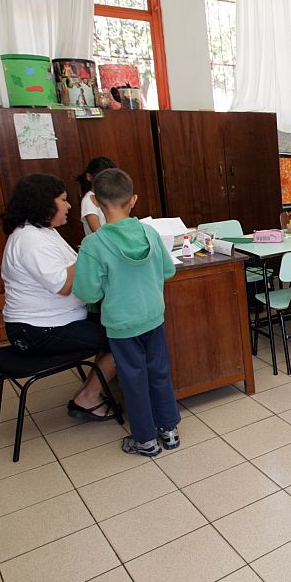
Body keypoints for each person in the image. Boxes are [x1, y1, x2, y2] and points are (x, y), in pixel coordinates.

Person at [72, 169, 179, 456]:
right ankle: (169, 431)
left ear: (95, 201)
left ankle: (145, 439)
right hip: (153, 317)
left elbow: (88, 292)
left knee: (133, 380)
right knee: (159, 372)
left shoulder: (94, 245)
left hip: (122, 325)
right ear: (133, 200)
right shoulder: (150, 232)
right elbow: (168, 270)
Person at [0, 174, 117, 422]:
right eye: (63, 200)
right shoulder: (30, 240)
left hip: (55, 321)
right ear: (44, 204)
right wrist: (90, 248)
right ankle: (87, 398)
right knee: (126, 338)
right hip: (37, 331)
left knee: (116, 324)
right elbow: (64, 285)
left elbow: (70, 267)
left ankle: (92, 389)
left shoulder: (44, 231)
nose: (69, 206)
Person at [77, 156, 116, 236]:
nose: (107, 181)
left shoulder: (109, 196)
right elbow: (97, 231)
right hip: (100, 245)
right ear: (89, 177)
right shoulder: (88, 200)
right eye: (103, 177)